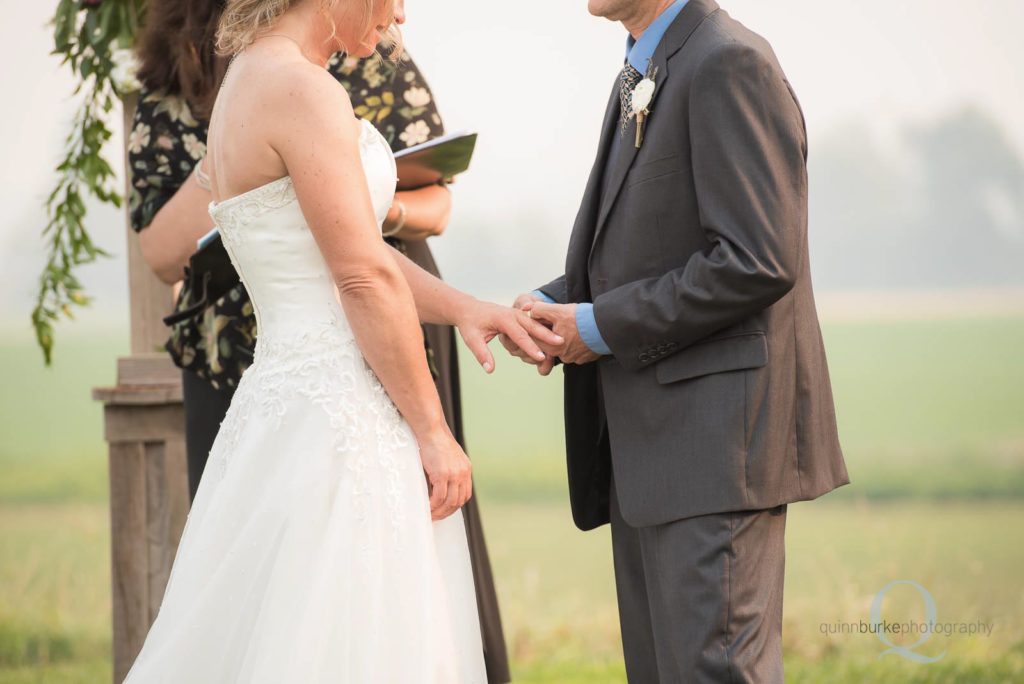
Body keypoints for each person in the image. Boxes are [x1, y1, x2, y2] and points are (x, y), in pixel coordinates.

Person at [122, 0, 564, 680]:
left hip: (283, 403)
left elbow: (350, 253)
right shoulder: (304, 90)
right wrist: (433, 431)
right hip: (338, 414)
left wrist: (468, 309)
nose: (402, 14)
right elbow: (359, 277)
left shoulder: (249, 76)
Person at [501, 0, 850, 681]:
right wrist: (556, 306)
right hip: (651, 459)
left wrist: (597, 327)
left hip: (715, 454)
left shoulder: (729, 61)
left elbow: (756, 258)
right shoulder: (645, 66)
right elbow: (651, 247)